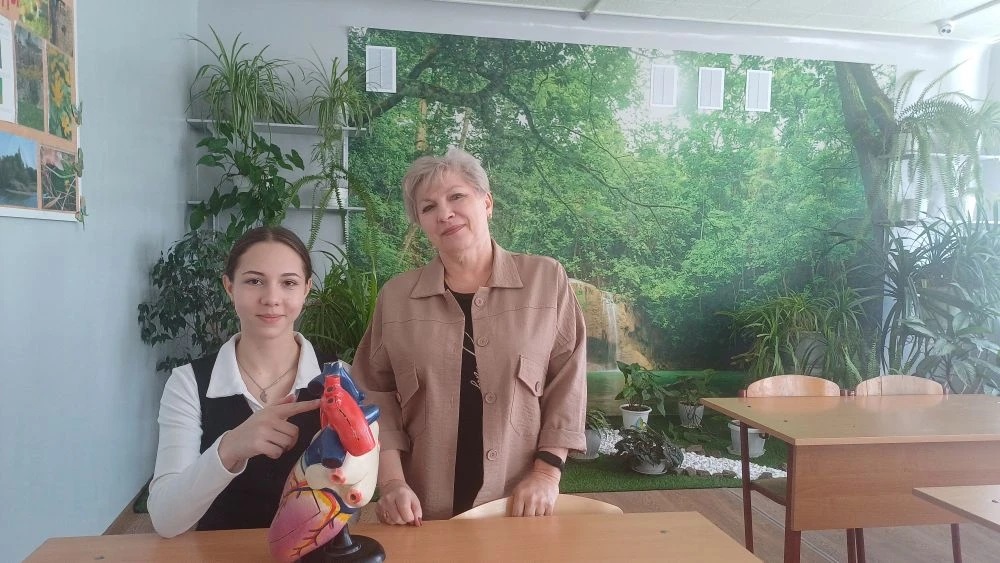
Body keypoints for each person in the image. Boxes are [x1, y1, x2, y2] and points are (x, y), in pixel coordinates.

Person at [351, 147, 587, 524]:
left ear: (487, 203)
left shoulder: (546, 280)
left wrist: (546, 474)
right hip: (422, 507)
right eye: (428, 207)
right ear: (421, 223)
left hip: (518, 503)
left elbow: (568, 380)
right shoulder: (396, 298)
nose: (444, 213)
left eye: (457, 196)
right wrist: (392, 483)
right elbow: (371, 394)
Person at [148, 226, 327, 537]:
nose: (271, 299)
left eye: (288, 283)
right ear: (229, 287)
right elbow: (165, 519)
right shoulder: (188, 383)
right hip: (220, 554)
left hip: (315, 553)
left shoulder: (338, 378)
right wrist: (230, 448)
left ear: (306, 289)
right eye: (254, 281)